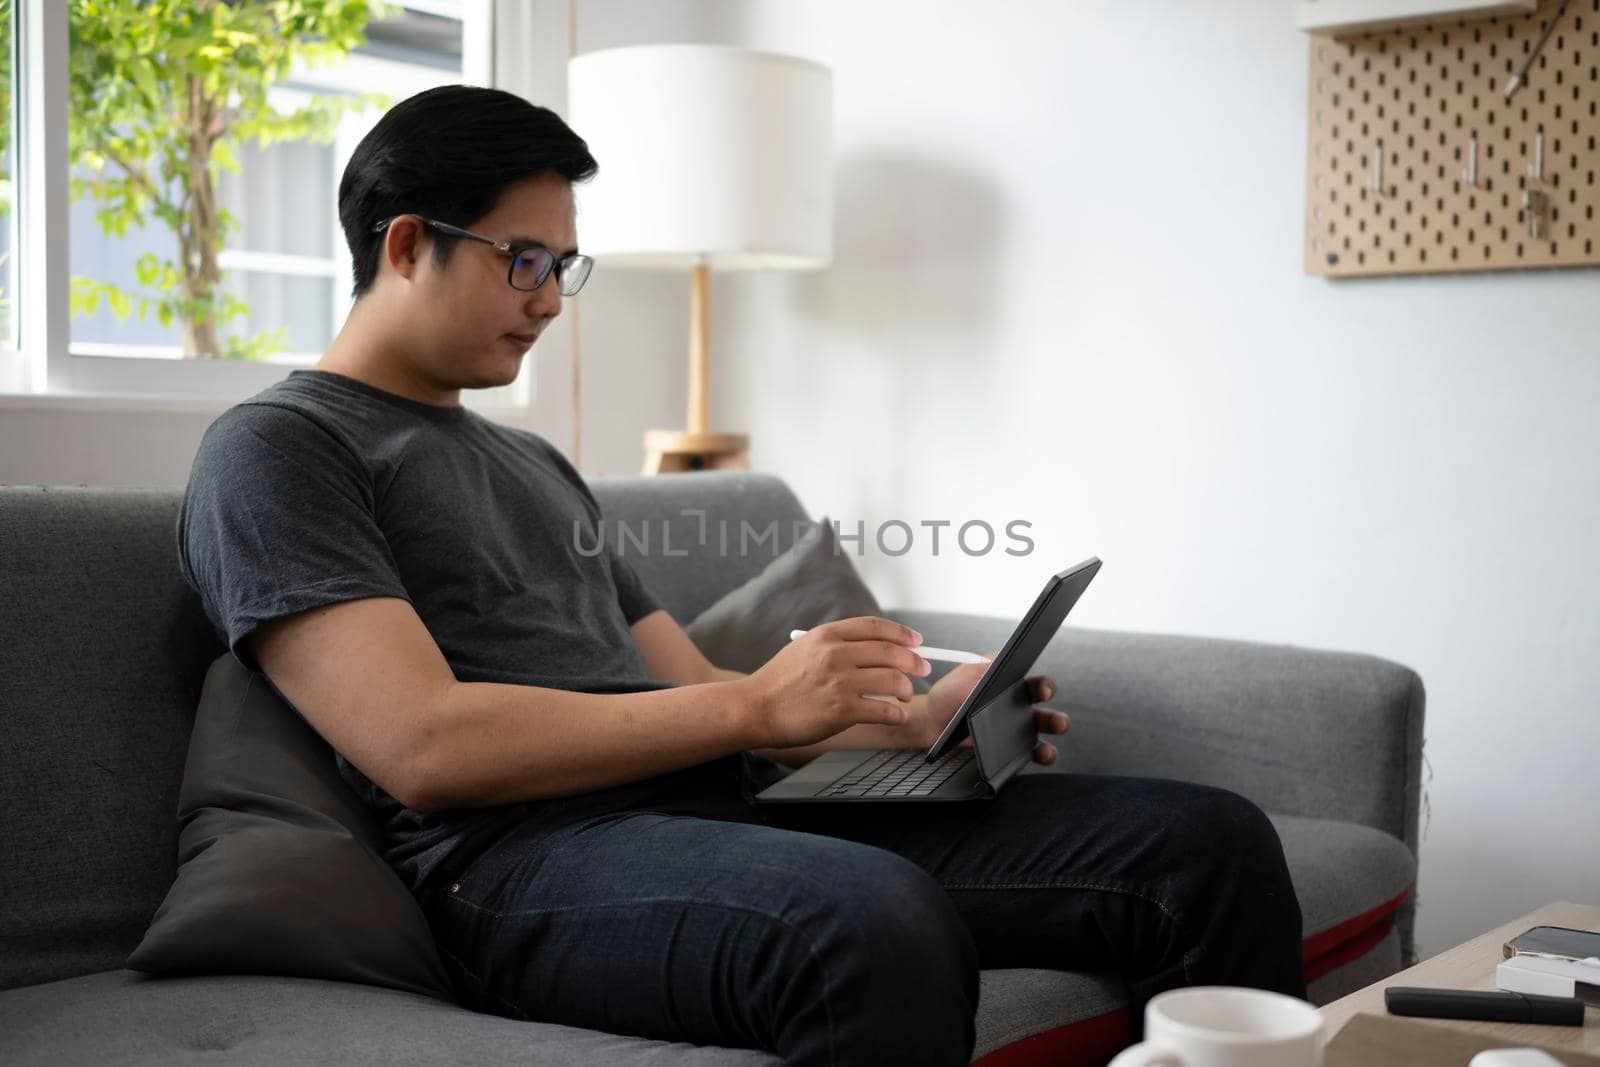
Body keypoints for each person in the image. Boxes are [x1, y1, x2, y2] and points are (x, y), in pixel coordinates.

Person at [177, 85, 1305, 1066]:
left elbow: (695, 696)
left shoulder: (531, 461)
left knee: (1205, 843)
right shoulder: (280, 448)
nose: (550, 299)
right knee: (868, 922)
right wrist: (756, 702)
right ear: (407, 243)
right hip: (513, 862)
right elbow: (421, 744)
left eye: (564, 266)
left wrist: (911, 726)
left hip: (707, 809)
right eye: (523, 260)